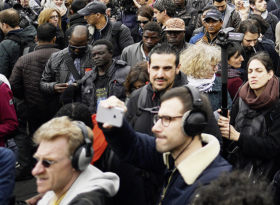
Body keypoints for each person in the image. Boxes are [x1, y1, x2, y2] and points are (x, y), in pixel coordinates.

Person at [99, 85, 233, 205]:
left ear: (193, 123)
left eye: (167, 119)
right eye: (158, 118)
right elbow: (133, 145)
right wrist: (109, 117)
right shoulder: (171, 157)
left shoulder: (216, 188)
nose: (155, 128)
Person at [218, 52, 280, 181]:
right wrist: (225, 125)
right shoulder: (241, 100)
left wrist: (238, 136)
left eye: (259, 71)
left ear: (270, 74)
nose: (253, 75)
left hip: (267, 177)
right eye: (250, 71)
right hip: (237, 172)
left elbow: (273, 147)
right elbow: (230, 143)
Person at [32, 116, 119, 205]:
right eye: (38, 159)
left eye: (48, 162)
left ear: (78, 161)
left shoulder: (87, 202)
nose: (35, 171)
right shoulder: (59, 186)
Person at [126, 43, 189, 136]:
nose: (160, 75)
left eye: (167, 68)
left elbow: (212, 145)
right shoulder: (136, 97)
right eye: (155, 68)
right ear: (148, 67)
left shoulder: (193, 100)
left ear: (177, 68)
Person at [10, 23, 61, 134]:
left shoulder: (24, 59)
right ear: (54, 39)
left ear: (36, 38)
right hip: (59, 108)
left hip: (34, 109)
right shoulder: (65, 57)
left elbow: (13, 85)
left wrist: (27, 96)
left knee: (37, 140)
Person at [40, 25, 94, 109]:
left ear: (88, 41)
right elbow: (43, 84)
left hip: (87, 105)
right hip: (63, 105)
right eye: (73, 47)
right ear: (69, 39)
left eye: (81, 47)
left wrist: (80, 85)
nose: (76, 50)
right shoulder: (56, 57)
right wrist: (53, 87)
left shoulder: (95, 56)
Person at [78, 39, 130, 111]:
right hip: (95, 119)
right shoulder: (87, 78)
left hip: (119, 117)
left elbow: (133, 98)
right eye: (94, 55)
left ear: (111, 53)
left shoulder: (126, 72)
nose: (96, 57)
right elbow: (85, 105)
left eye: (101, 53)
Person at [179, 42, 226, 114]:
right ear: (199, 66)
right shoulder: (181, 83)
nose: (216, 69)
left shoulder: (219, 84)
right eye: (213, 65)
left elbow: (228, 108)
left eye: (217, 65)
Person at [0, 8, 37, 79]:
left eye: (0, 24)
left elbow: (1, 72)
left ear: (5, 25)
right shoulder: (33, 35)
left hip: (14, 82)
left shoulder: (5, 44)